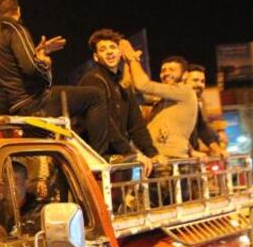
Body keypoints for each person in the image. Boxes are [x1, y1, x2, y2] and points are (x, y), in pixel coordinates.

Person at [0, 0, 110, 155]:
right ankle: (98, 158)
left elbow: (10, 71)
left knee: (78, 104)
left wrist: (37, 52)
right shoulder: (15, 28)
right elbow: (31, 68)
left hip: (12, 105)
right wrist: (45, 64)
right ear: (19, 10)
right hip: (32, 103)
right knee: (95, 97)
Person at [81, 29, 167, 170]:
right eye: (103, 49)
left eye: (113, 47)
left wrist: (152, 153)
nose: (109, 52)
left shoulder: (123, 85)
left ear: (120, 53)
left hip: (117, 159)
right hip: (96, 159)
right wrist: (129, 152)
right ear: (96, 57)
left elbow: (136, 124)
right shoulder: (93, 80)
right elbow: (105, 122)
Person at [120, 42, 198, 159]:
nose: (166, 73)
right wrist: (126, 63)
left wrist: (132, 58)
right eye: (163, 70)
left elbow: (143, 85)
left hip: (169, 160)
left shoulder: (185, 92)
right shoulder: (163, 97)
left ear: (185, 75)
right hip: (156, 158)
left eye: (172, 70)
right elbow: (129, 92)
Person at [183, 64, 226, 158]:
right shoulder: (174, 102)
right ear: (183, 81)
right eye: (195, 80)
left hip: (192, 157)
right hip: (175, 158)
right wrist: (191, 151)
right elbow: (175, 132)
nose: (199, 85)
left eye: (202, 81)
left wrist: (218, 150)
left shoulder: (196, 102)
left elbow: (201, 127)